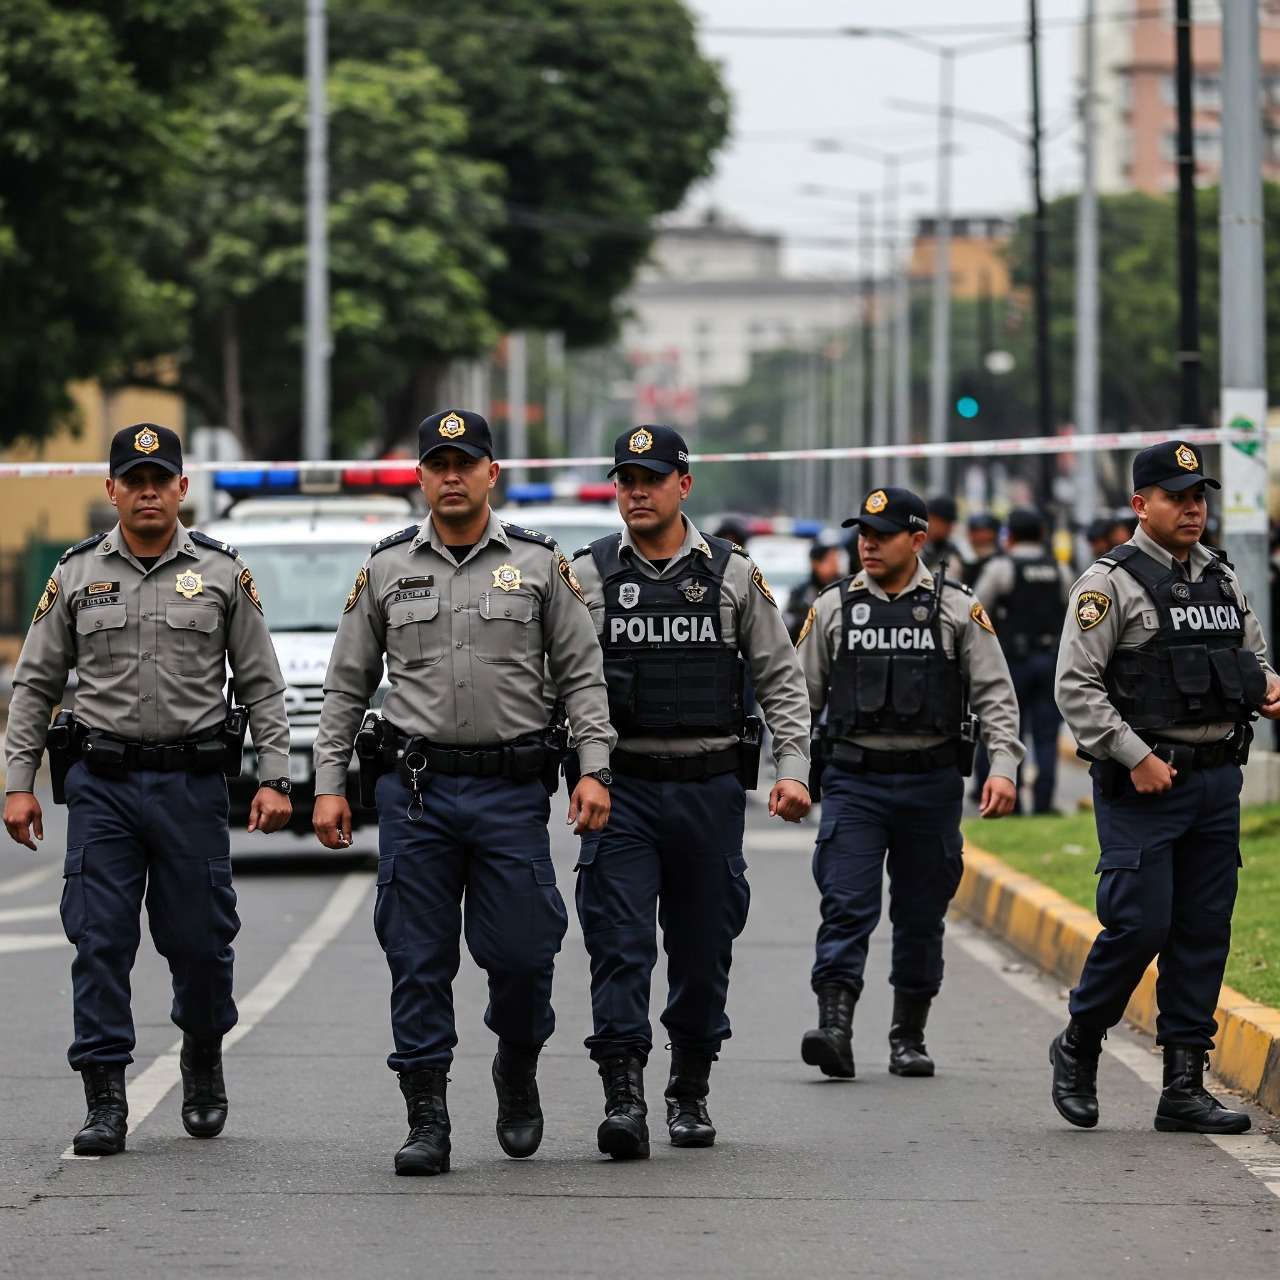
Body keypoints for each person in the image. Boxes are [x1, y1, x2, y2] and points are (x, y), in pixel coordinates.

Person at [311, 409, 614, 1177]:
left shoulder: (541, 565)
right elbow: (347, 686)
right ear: (421, 476)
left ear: (491, 474)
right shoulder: (384, 569)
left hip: (511, 793)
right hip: (417, 794)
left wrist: (592, 767)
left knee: (521, 955)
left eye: (465, 462)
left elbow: (581, 675)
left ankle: (517, 1065)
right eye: (438, 463)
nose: (452, 475)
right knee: (416, 956)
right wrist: (328, 784)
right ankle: (427, 1116)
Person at [2, 424, 292, 1156]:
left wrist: (277, 776)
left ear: (182, 488)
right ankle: (104, 1097)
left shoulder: (223, 573)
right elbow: (35, 683)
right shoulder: (74, 575)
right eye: (134, 480)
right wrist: (17, 784)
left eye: (161, 478)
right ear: (113, 491)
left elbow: (261, 683)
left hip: (192, 787)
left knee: (199, 943)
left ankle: (201, 1052)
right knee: (99, 939)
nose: (149, 491)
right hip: (101, 784)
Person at [566, 425, 811, 1160]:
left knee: (704, 951)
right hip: (623, 791)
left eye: (650, 478)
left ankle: (690, 1088)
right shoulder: (587, 576)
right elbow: (562, 683)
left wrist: (792, 767)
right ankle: (624, 1093)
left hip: (707, 790)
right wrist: (585, 765)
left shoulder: (734, 575)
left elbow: (780, 678)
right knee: (619, 946)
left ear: (684, 485)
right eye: (624, 480)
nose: (635, 492)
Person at [1050, 441, 1280, 1134]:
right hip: (1142, 788)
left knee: (1203, 931)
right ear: (1139, 504)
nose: (1192, 508)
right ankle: (1079, 1044)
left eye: (1199, 495)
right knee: (1140, 923)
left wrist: (1266, 687)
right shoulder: (1108, 584)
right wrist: (1136, 754)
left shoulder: (1222, 577)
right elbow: (1076, 686)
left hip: (1215, 782)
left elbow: (1253, 655)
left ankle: (1183, 1085)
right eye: (1177, 496)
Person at [797, 486, 1022, 1080]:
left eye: (882, 534)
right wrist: (792, 774)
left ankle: (908, 1035)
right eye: (862, 534)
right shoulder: (833, 608)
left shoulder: (957, 608)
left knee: (921, 915)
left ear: (918, 540)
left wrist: (1004, 767)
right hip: (855, 781)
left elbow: (996, 695)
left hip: (931, 783)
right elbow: (798, 700)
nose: (866, 544)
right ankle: (835, 1028)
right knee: (846, 904)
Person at [973, 508, 1073, 814]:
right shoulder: (1059, 569)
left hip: (1012, 662)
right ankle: (1043, 803)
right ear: (1042, 535)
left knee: (1008, 731)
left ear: (1010, 536)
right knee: (1046, 735)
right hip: (1049, 661)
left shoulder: (1002, 568)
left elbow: (977, 610)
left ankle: (1009, 802)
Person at [784, 532, 846, 644]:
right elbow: (787, 627)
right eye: (831, 560)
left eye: (837, 558)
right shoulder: (801, 593)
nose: (836, 564)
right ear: (816, 563)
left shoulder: (845, 588)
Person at [922, 494, 965, 580]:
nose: (949, 528)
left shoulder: (951, 552)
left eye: (950, 524)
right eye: (943, 522)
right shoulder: (909, 541)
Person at [961, 513, 1000, 589]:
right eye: (975, 531)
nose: (980, 536)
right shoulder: (962, 558)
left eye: (984, 531)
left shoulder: (1002, 561)